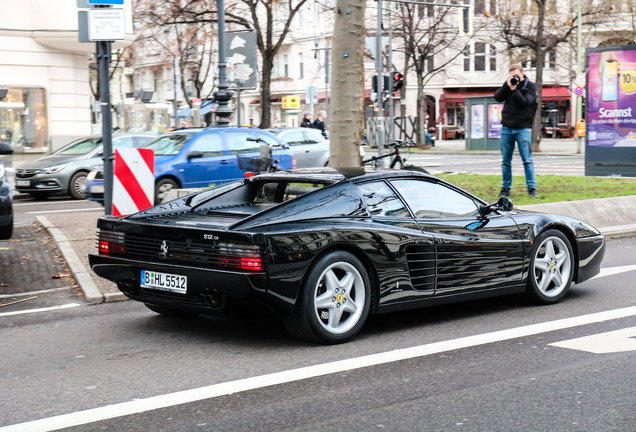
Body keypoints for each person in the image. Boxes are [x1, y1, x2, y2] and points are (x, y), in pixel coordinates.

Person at [494, 64, 539, 198]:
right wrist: (506, 85)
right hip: (507, 127)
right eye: (512, 75)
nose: (514, 78)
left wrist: (514, 89)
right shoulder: (508, 85)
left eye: (516, 75)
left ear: (522, 74)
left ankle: (532, 189)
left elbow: (525, 102)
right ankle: (505, 188)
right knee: (506, 161)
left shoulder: (530, 86)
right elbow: (497, 97)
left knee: (527, 160)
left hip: (523, 128)